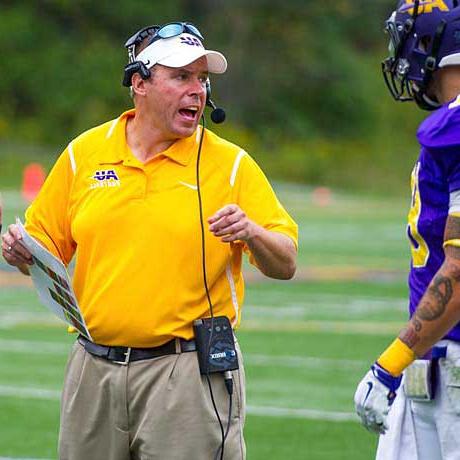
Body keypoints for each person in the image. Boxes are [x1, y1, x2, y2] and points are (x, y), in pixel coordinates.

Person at [1, 22, 298, 460]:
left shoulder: (232, 165)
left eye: (202, 78)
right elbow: (44, 242)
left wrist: (252, 231)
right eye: (181, 77)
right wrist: (20, 250)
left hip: (187, 375)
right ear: (139, 83)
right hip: (92, 367)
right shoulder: (84, 153)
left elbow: (286, 261)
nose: (197, 91)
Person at [354, 2, 460, 459]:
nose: (404, 58)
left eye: (411, 41)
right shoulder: (447, 123)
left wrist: (389, 364)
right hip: (433, 361)